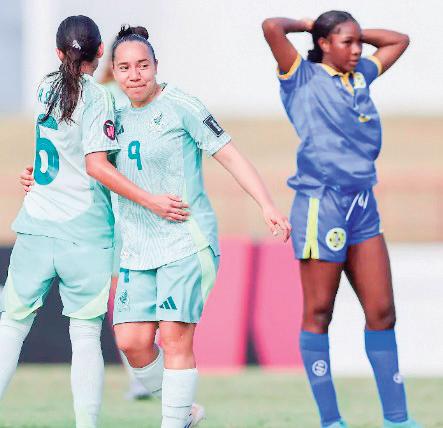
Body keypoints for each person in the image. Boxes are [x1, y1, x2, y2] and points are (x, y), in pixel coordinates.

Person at [87, 25, 291, 428]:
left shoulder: (182, 106)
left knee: (175, 338)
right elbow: (89, 165)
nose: (135, 75)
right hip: (136, 248)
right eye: (125, 67)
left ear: (156, 66)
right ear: (114, 70)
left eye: (143, 65)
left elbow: (230, 156)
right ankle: (186, 412)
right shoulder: (110, 115)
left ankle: (173, 421)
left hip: (186, 241)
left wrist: (266, 204)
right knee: (132, 342)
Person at [1, 15, 187, 428]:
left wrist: (36, 174)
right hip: (84, 232)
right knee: (85, 337)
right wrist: (152, 201)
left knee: (10, 327)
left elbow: (57, 148)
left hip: (35, 224)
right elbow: (96, 165)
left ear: (58, 53)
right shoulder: (100, 97)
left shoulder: (45, 87)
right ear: (101, 52)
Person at [262, 10, 419, 428]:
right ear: (324, 43)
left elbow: (399, 39)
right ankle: (331, 420)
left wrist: (353, 32)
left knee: (382, 311)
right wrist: (310, 25)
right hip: (321, 204)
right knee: (319, 313)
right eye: (346, 42)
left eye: (358, 42)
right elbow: (271, 27)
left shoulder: (361, 74)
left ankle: (398, 419)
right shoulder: (301, 76)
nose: (357, 50)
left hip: (363, 203)